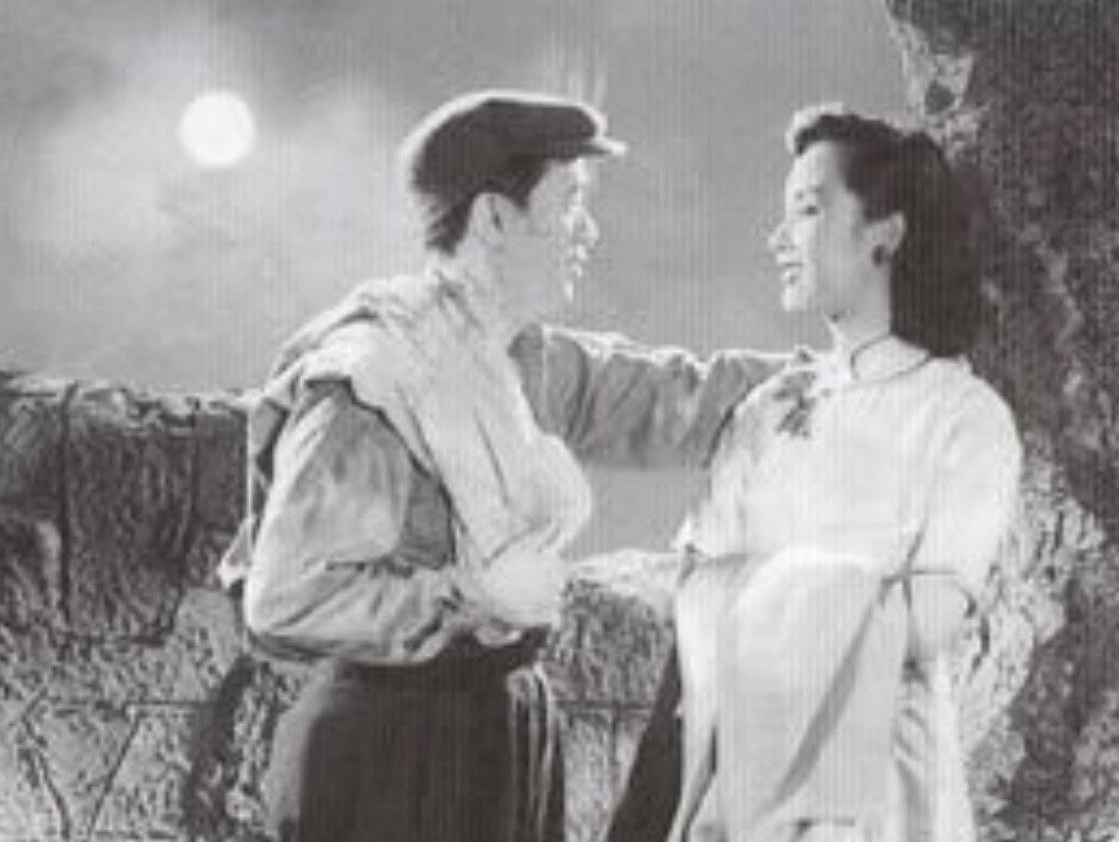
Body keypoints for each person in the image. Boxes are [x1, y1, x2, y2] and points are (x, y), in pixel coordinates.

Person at [220, 90, 783, 842]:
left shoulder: (520, 358)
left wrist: (849, 369)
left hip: (498, 732)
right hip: (391, 751)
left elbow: (676, 399)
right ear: (492, 217)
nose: (587, 228)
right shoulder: (374, 375)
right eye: (569, 201)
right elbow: (285, 598)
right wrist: (467, 594)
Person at [650, 105, 1023, 842]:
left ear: (885, 234)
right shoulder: (769, 409)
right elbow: (696, 582)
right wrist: (845, 588)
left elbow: (929, 619)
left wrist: (764, 589)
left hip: (885, 785)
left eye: (806, 209)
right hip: (743, 774)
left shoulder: (964, 417)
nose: (777, 238)